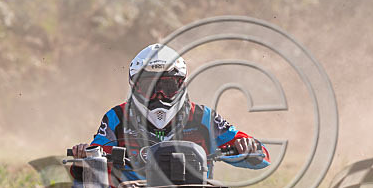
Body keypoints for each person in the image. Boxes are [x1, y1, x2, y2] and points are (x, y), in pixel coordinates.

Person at [71, 43, 269, 178]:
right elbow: (85, 166)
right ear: (135, 86)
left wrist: (249, 147)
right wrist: (84, 159)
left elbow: (263, 158)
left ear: (181, 84)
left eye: (167, 87)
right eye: (150, 87)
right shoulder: (116, 118)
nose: (159, 95)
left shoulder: (204, 118)